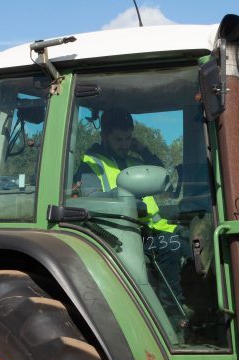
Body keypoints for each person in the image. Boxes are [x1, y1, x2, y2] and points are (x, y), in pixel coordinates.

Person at [75, 107, 192, 325]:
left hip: (153, 228)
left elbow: (161, 176)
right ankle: (172, 314)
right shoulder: (92, 163)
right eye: (118, 139)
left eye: (128, 138)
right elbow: (89, 197)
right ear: (104, 136)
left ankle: (198, 310)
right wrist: (126, 200)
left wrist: (143, 149)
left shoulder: (134, 161)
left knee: (194, 247)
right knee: (170, 245)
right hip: (121, 232)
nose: (124, 144)